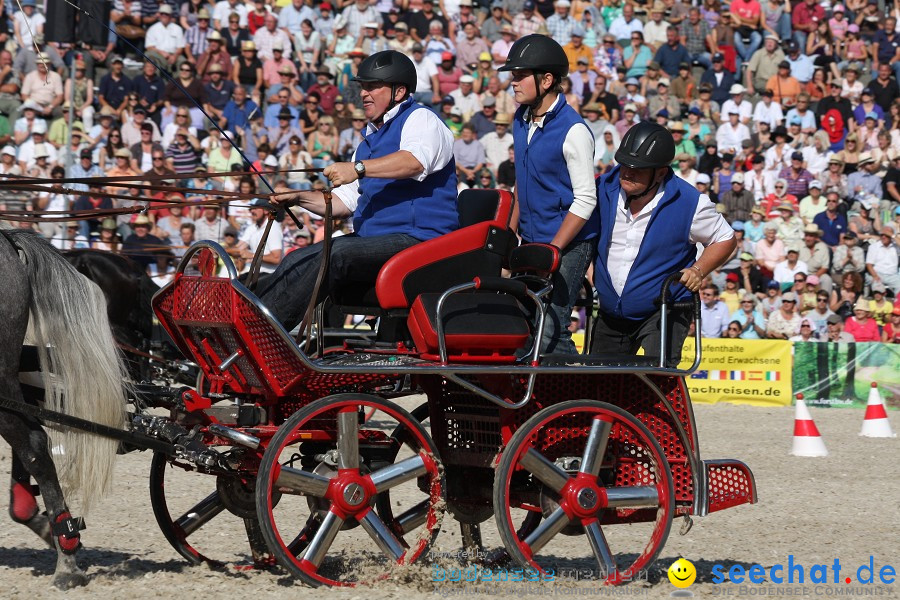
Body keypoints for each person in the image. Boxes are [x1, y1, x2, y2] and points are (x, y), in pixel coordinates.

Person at [259, 50, 459, 331]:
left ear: (399, 91)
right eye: (363, 87)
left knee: (337, 253)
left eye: (373, 86)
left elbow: (414, 161)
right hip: (376, 240)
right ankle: (247, 319)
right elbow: (345, 201)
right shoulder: (368, 140)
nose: (364, 93)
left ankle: (266, 330)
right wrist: (298, 197)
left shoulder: (421, 119)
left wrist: (358, 168)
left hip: (420, 239)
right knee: (296, 256)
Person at [590, 122, 736, 364]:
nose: (627, 172)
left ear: (660, 172)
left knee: (658, 380)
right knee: (598, 383)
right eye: (624, 164)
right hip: (609, 311)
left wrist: (698, 270)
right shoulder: (601, 188)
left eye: (638, 168)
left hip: (666, 308)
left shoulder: (691, 202)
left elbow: (725, 238)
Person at [499, 34, 597, 354]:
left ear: (547, 80)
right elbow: (521, 183)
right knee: (525, 319)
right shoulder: (520, 118)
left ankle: (570, 402)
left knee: (553, 326)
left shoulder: (575, 130)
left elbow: (586, 199)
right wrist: (507, 235)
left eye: (519, 76)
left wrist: (551, 251)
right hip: (533, 237)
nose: (513, 82)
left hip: (570, 240)